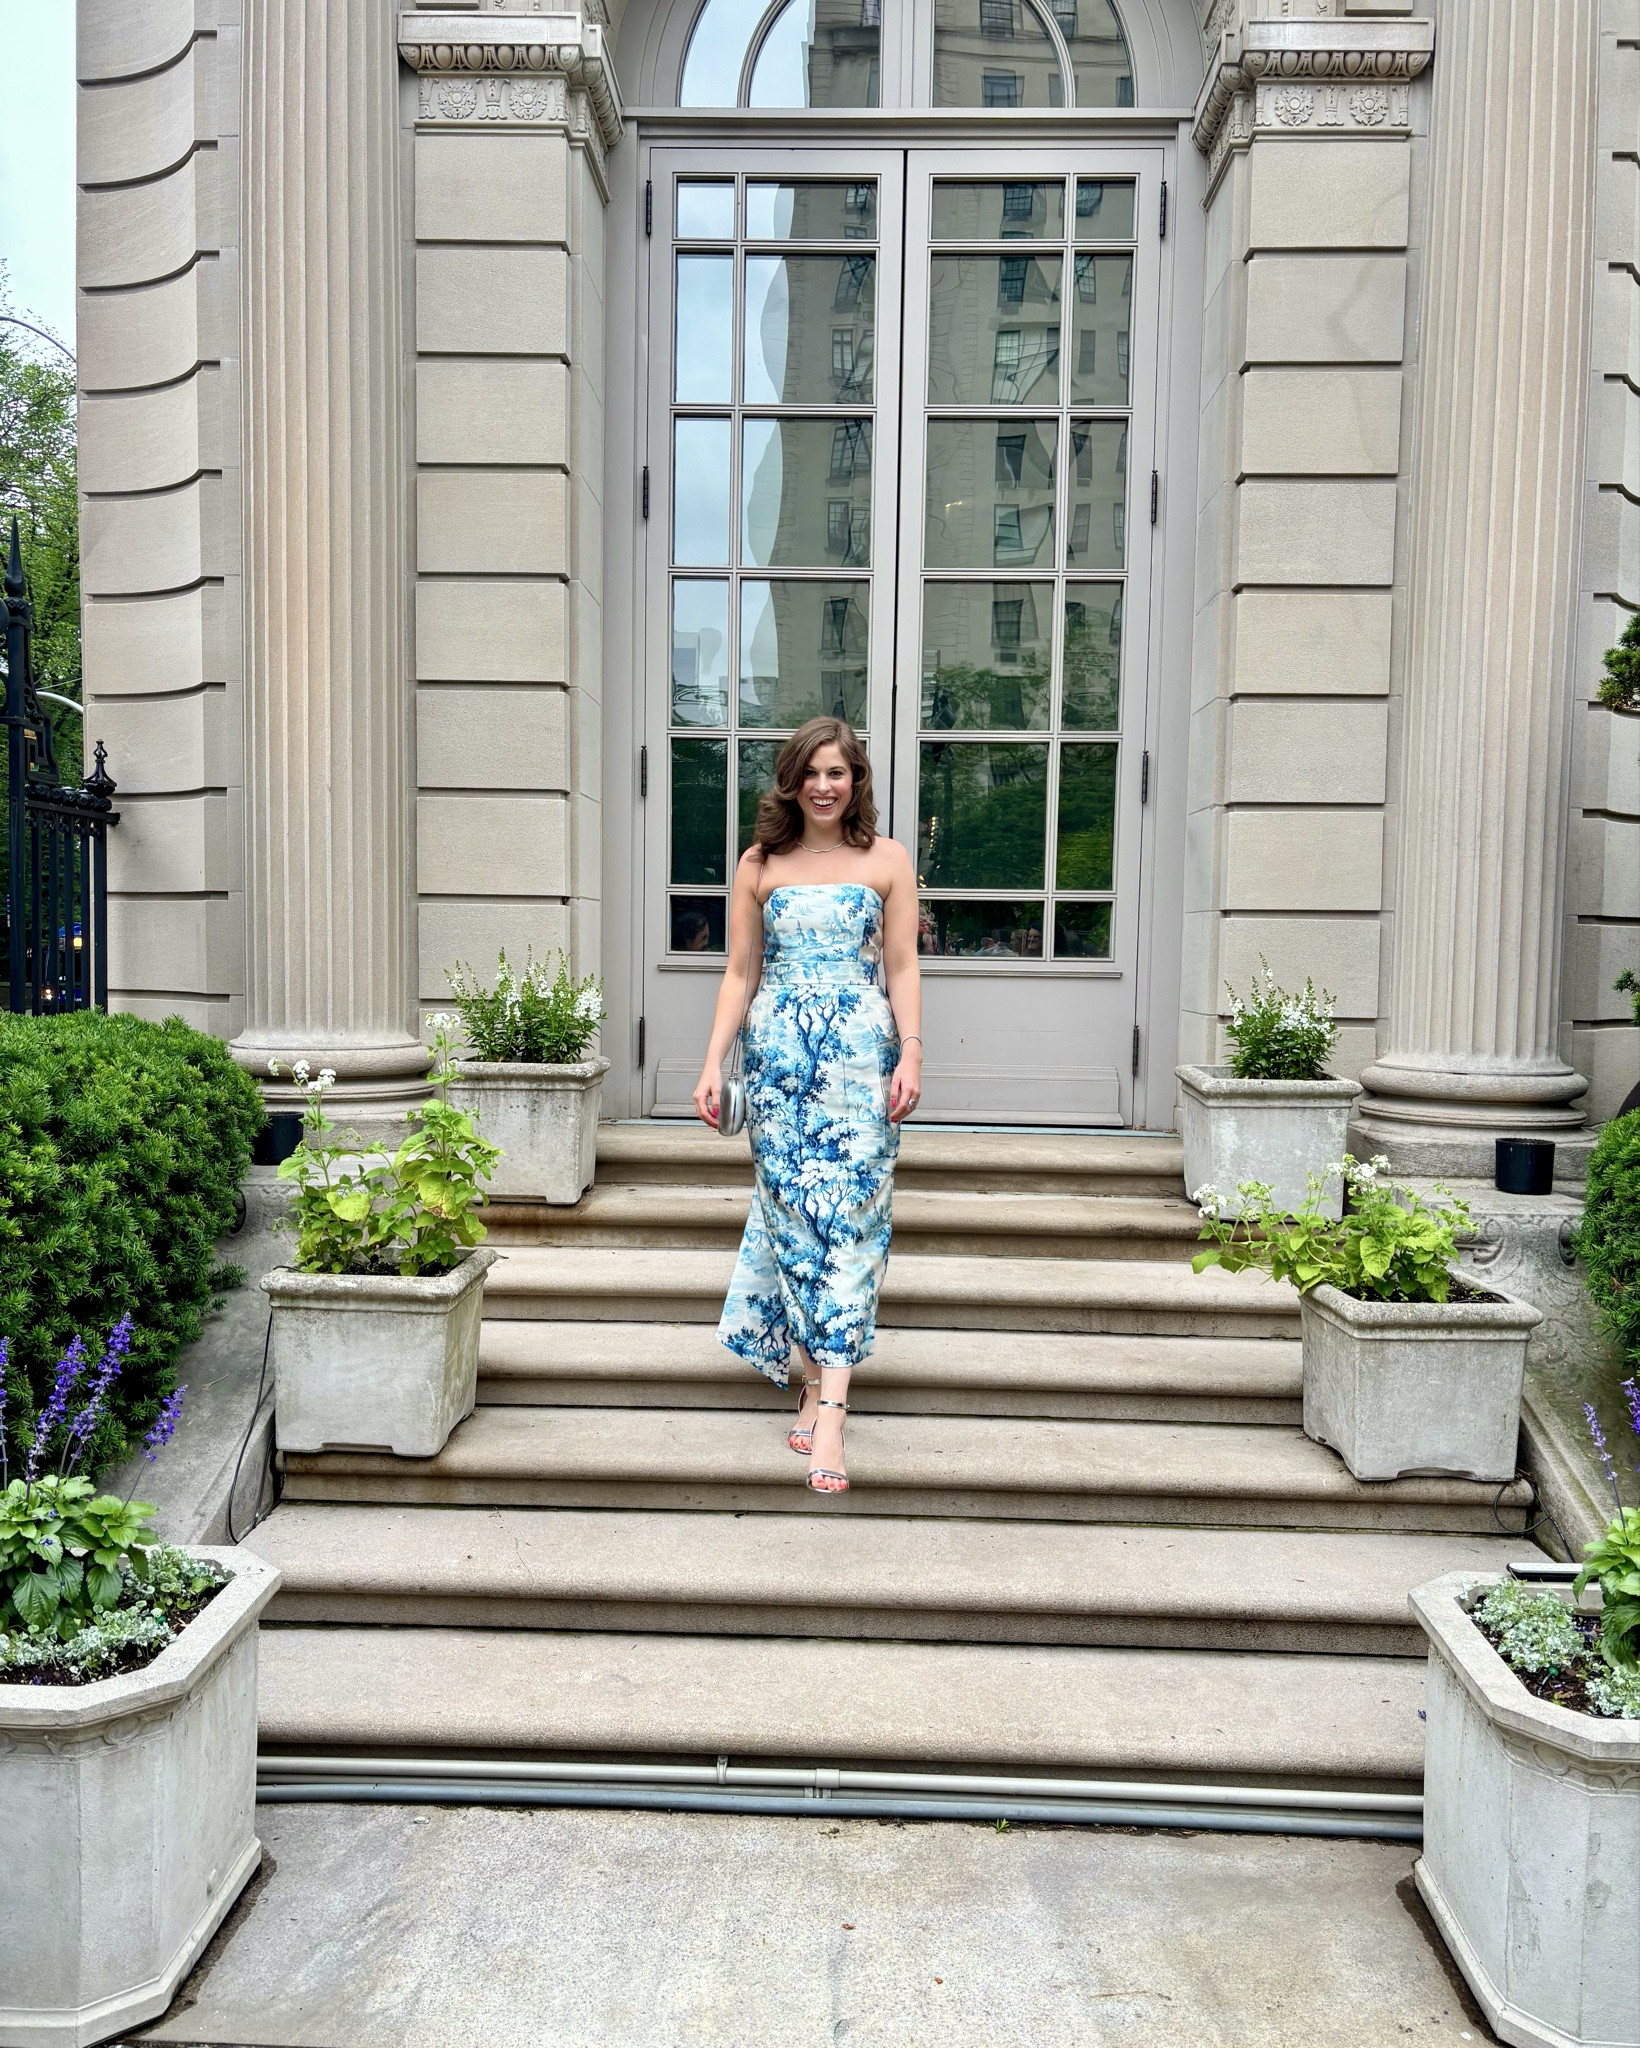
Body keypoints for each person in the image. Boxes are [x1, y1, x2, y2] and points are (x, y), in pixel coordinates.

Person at [692, 717, 922, 1494]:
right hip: (780, 1064)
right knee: (791, 1215)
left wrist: (913, 1049)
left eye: (840, 772)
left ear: (857, 781)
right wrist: (712, 1060)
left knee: (854, 1218)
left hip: (861, 1061)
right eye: (812, 772)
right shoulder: (759, 863)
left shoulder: (887, 859)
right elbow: (737, 972)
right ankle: (807, 1375)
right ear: (791, 781)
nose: (826, 785)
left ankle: (832, 1411)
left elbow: (901, 963)